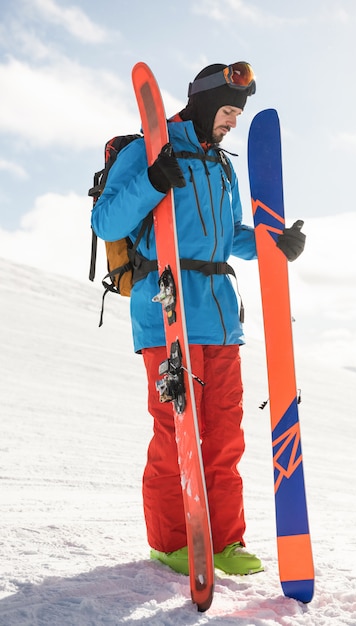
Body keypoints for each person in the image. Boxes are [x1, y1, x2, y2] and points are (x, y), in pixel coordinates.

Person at [91, 62, 305, 576]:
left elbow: (229, 235)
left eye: (237, 113)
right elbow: (107, 220)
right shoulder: (150, 149)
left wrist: (275, 244)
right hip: (166, 311)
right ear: (208, 105)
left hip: (221, 318)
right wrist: (151, 181)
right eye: (228, 112)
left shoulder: (222, 167)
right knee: (174, 432)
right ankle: (170, 542)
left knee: (224, 435)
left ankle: (226, 541)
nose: (231, 122)